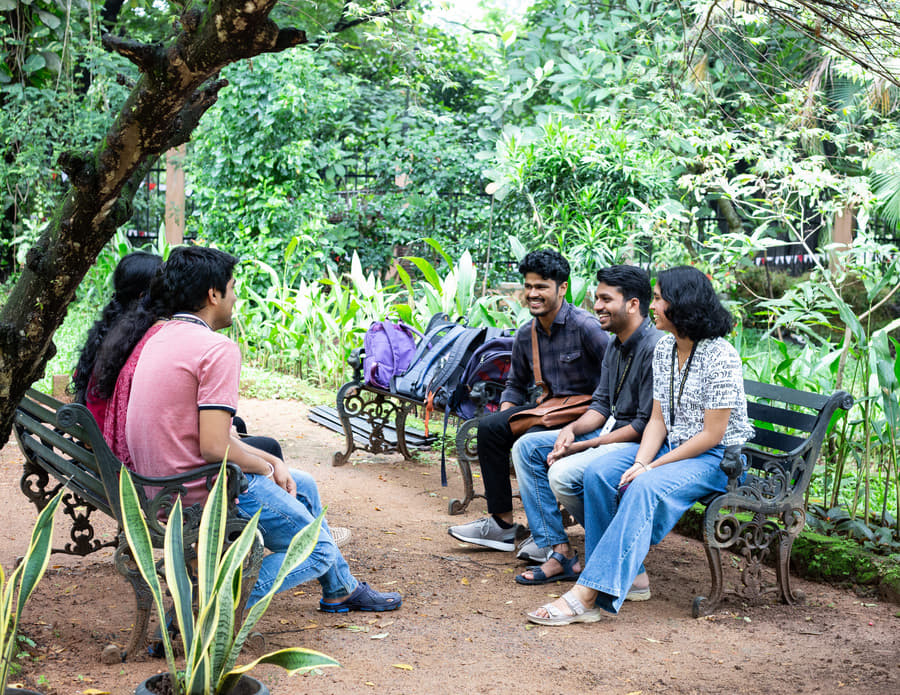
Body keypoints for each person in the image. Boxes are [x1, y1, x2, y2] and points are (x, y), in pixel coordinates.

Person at [126, 245, 398, 612]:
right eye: (233, 287)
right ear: (213, 294)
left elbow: (217, 437)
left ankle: (340, 588)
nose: (235, 297)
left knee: (304, 484)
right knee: (317, 548)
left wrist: (273, 462)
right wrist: (268, 468)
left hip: (162, 488)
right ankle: (210, 605)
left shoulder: (159, 338)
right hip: (205, 492)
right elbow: (213, 447)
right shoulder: (215, 349)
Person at [526, 265, 754, 625]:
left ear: (682, 305)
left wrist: (650, 468)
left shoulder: (720, 355)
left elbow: (712, 435)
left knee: (643, 486)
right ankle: (626, 577)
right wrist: (643, 459)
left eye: (660, 299)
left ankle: (589, 592)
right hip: (672, 446)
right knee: (601, 472)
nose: (654, 305)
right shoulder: (666, 349)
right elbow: (658, 420)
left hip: (715, 459)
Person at [448, 249, 609, 552]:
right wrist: (507, 419)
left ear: (562, 288)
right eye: (529, 286)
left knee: (532, 442)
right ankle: (502, 524)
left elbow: (615, 376)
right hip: (549, 410)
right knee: (490, 428)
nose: (533, 294)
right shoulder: (527, 334)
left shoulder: (586, 327)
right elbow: (514, 385)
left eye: (541, 287)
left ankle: (546, 536)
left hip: (588, 415)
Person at [512, 265, 662, 584]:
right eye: (596, 298)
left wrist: (585, 444)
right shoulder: (616, 344)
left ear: (633, 304)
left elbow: (643, 425)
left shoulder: (654, 348)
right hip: (610, 432)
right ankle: (559, 551)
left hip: (641, 444)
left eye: (606, 299)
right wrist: (571, 430)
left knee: (564, 474)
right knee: (527, 447)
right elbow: (600, 405)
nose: (596, 306)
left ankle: (620, 556)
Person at [71, 250, 163, 431]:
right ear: (143, 296)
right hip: (111, 445)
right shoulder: (139, 337)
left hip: (94, 436)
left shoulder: (111, 327)